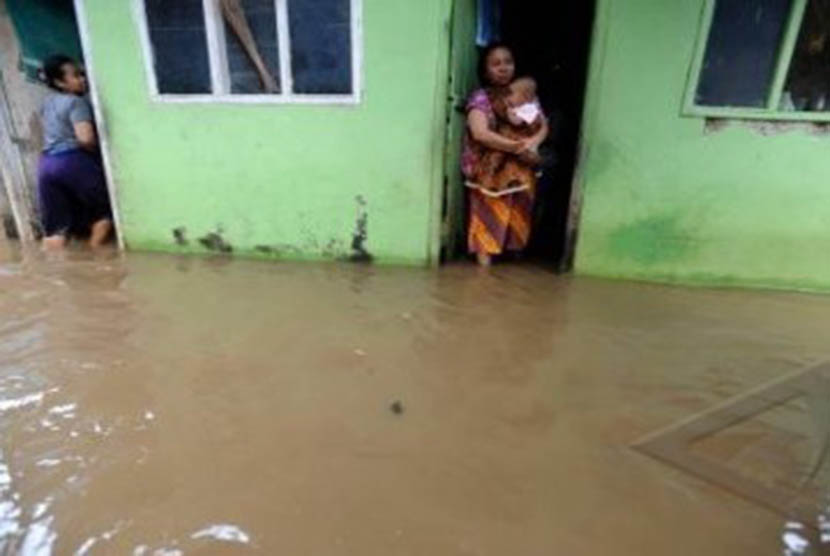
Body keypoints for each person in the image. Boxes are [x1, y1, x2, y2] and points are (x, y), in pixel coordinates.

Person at [463, 44, 549, 266]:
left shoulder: (525, 96)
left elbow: (541, 125)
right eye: (496, 63)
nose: (503, 68)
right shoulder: (480, 98)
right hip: (489, 172)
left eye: (508, 62)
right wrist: (516, 147)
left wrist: (532, 144)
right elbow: (480, 133)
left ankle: (510, 277)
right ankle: (485, 274)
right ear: (485, 70)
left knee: (517, 224)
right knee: (488, 225)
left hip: (522, 171)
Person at [37, 54, 112, 250]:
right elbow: (85, 138)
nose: (82, 79)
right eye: (76, 75)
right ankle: (96, 261)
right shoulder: (76, 102)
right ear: (60, 82)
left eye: (82, 74)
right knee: (103, 215)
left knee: (56, 229)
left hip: (46, 165)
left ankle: (53, 271)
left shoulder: (46, 103)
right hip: (73, 162)